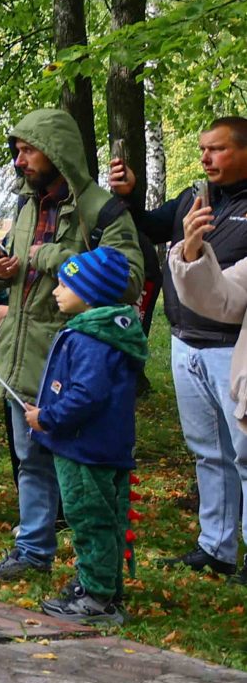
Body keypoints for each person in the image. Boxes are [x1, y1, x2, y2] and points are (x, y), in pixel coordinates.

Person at [0, 109, 142, 581]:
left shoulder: (102, 210)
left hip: (74, 360)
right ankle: (33, 550)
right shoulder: (27, 205)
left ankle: (96, 572)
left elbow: (129, 280)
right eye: (17, 151)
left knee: (79, 470)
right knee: (30, 460)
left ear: (57, 151)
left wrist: (52, 256)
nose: (20, 160)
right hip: (22, 354)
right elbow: (9, 267)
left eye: (28, 150)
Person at [110, 120, 247, 576]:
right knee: (208, 450)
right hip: (185, 342)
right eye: (203, 148)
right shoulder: (193, 197)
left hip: (234, 347)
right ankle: (217, 547)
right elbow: (150, 226)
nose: (206, 157)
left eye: (218, 149)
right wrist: (130, 196)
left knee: (246, 453)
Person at [25, 246, 149, 624]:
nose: (56, 291)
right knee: (107, 519)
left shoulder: (91, 338)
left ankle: (96, 597)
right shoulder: (109, 332)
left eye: (65, 285)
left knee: (89, 518)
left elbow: (86, 395)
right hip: (105, 445)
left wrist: (48, 418)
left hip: (84, 448)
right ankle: (105, 588)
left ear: (90, 293)